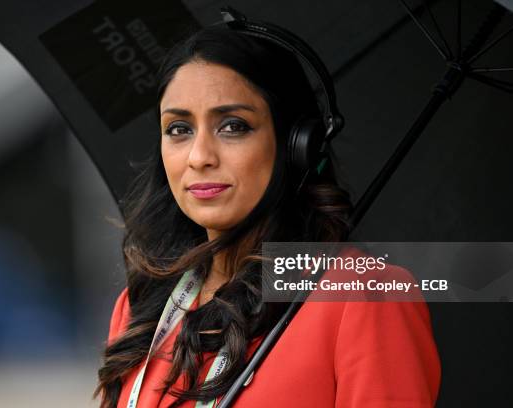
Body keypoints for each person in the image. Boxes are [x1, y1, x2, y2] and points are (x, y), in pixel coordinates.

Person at [94, 13, 441, 408]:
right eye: (179, 129)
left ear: (296, 144)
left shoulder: (362, 296)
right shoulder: (141, 305)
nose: (199, 156)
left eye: (233, 126)